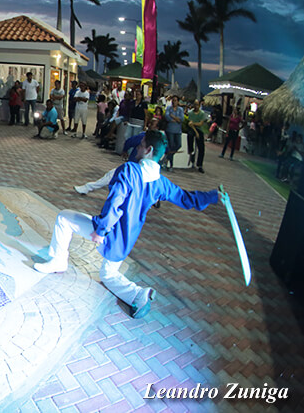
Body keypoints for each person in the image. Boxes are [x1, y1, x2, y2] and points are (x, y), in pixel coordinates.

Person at [35, 130, 221, 318]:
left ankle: (58, 261)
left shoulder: (130, 170)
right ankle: (138, 294)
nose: (137, 147)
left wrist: (101, 230)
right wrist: (214, 195)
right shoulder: (161, 183)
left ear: (148, 150)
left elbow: (115, 202)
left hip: (110, 229)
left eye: (140, 144)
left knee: (64, 218)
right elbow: (186, 198)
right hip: (127, 237)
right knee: (108, 275)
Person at [75, 119, 159, 194]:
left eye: (152, 124)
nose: (149, 125)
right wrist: (125, 150)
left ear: (157, 128)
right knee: (111, 176)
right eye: (150, 123)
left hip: (137, 169)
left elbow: (129, 142)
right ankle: (87, 188)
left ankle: (87, 188)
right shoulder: (147, 137)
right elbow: (129, 142)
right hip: (134, 167)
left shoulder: (148, 138)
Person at [186, 100, 208, 173]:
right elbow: (190, 124)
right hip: (192, 129)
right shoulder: (190, 113)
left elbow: (200, 124)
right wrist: (194, 128)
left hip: (199, 130)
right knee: (190, 135)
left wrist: (194, 124)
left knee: (201, 148)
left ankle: (200, 165)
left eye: (197, 105)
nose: (196, 106)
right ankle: (191, 151)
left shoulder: (202, 113)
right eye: (195, 105)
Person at [164, 96, 184, 170]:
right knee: (171, 145)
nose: (174, 102)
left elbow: (181, 119)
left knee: (178, 145)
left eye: (175, 100)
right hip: (170, 130)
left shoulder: (180, 109)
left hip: (178, 130)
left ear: (178, 101)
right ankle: (170, 164)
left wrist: (173, 116)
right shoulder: (169, 108)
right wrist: (176, 119)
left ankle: (168, 157)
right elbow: (167, 117)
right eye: (173, 100)